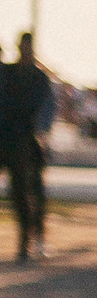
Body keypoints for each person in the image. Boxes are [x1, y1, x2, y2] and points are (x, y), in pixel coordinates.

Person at [0, 32, 53, 262]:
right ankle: (27, 240)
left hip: (24, 141)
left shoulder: (38, 78)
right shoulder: (8, 73)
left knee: (24, 194)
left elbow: (46, 109)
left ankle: (27, 240)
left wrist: (40, 132)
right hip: (7, 137)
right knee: (21, 194)